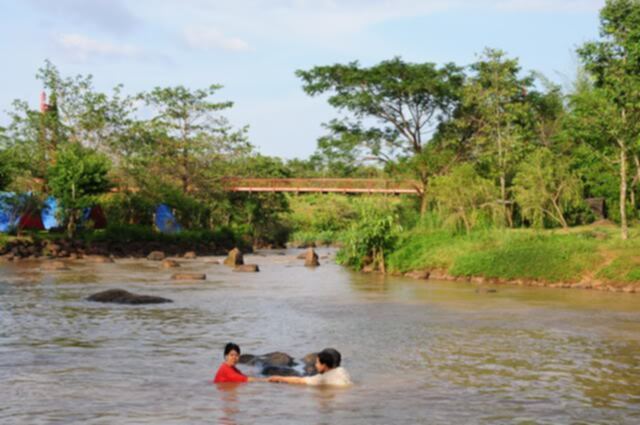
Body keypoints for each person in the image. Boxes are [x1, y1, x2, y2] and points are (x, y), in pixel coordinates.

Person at [268, 349, 352, 387]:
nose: (315, 365)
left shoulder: (322, 378)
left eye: (317, 362)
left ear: (324, 365)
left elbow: (299, 381)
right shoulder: (342, 371)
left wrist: (279, 378)